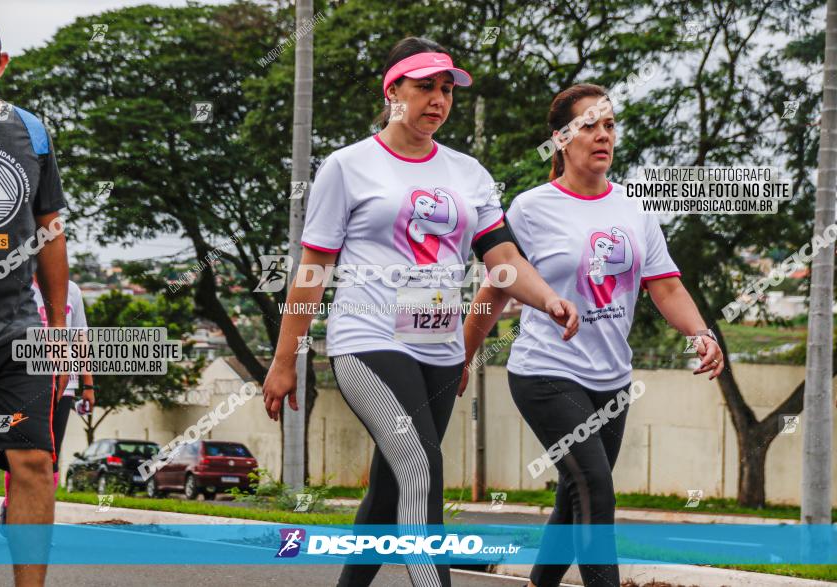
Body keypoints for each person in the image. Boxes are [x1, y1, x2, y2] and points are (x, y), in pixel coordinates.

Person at [262, 37, 578, 587]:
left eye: (447, 88)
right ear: (393, 91)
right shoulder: (347, 166)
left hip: (438, 345)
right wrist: (285, 357)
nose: (438, 99)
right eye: (426, 86)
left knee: (390, 489)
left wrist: (547, 298)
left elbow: (502, 258)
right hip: (366, 338)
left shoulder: (468, 173)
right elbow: (312, 270)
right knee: (420, 463)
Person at [462, 83, 725, 587]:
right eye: (589, 125)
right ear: (562, 138)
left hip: (612, 379)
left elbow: (666, 287)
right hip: (545, 372)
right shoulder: (531, 208)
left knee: (575, 496)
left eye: (609, 124)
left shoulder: (635, 208)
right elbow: (496, 290)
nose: (603, 135)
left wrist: (700, 333)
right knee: (596, 490)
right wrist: (464, 355)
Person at [0, 4, 69, 586]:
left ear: (1, 62)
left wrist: (58, 327)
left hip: (15, 332)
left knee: (32, 461)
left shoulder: (31, 131)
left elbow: (49, 228)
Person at [0, 278, 95, 528]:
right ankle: (10, 508)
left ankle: (41, 525)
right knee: (19, 450)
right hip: (22, 384)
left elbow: (81, 338)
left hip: (64, 386)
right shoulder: (17, 286)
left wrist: (89, 385)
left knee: (50, 455)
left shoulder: (71, 290)